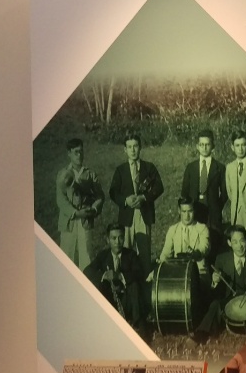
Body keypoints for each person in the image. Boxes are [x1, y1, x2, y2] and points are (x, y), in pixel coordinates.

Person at [193, 227, 246, 341]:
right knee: (215, 305)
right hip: (229, 299)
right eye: (235, 242)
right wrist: (215, 281)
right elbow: (216, 292)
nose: (240, 246)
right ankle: (201, 333)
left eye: (242, 241)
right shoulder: (221, 259)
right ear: (229, 243)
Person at [108, 133, 164, 270]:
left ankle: (145, 278)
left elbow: (159, 187)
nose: (132, 150)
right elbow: (113, 192)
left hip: (143, 214)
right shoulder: (121, 170)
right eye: (129, 147)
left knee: (144, 251)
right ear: (125, 150)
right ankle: (125, 278)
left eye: (135, 146)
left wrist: (144, 197)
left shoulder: (149, 167)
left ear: (140, 148)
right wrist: (125, 200)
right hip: (127, 215)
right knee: (125, 250)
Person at [84, 224, 146, 329]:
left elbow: (140, 273)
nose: (117, 242)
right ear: (108, 240)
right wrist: (104, 275)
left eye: (120, 238)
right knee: (98, 284)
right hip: (109, 301)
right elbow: (87, 271)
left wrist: (120, 276)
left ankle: (139, 325)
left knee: (134, 285)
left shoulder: (131, 255)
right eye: (114, 238)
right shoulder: (103, 255)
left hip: (127, 302)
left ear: (124, 238)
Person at [55, 138, 104, 267]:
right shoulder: (63, 174)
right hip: (68, 221)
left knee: (86, 255)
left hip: (85, 220)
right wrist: (76, 213)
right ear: (69, 153)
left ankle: (85, 277)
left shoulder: (90, 174)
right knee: (66, 254)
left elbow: (99, 195)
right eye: (76, 152)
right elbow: (61, 200)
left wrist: (93, 209)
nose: (79, 155)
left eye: (81, 151)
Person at [180, 130, 227, 245]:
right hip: (195, 209)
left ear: (213, 146)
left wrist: (216, 206)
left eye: (207, 144)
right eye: (201, 145)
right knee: (194, 241)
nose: (204, 148)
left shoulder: (220, 168)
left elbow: (225, 193)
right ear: (197, 146)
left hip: (212, 212)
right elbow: (184, 191)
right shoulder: (191, 168)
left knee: (213, 240)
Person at [152, 199, 210, 278]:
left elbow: (205, 247)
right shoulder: (173, 229)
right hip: (178, 272)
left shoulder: (202, 228)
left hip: (199, 272)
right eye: (184, 211)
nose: (187, 216)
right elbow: (166, 253)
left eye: (190, 211)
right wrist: (158, 267)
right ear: (179, 211)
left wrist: (196, 253)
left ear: (194, 211)